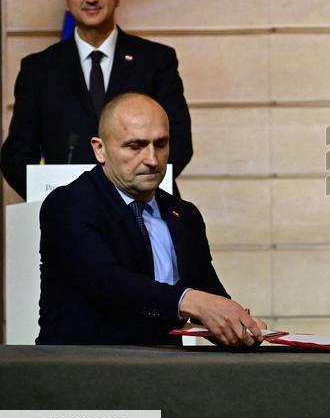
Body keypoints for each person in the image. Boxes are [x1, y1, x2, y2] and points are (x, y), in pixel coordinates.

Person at [37, 92, 263, 346]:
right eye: (135, 146)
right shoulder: (70, 204)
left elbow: (208, 292)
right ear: (99, 149)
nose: (152, 160)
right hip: (82, 370)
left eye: (161, 144)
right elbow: (106, 282)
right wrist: (192, 302)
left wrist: (238, 323)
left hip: (165, 373)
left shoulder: (184, 215)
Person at [1, 0, 192, 199]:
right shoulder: (39, 69)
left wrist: (136, 189)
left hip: (144, 208)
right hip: (69, 215)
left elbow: (179, 142)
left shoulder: (156, 60)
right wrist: (55, 202)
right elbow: (17, 154)